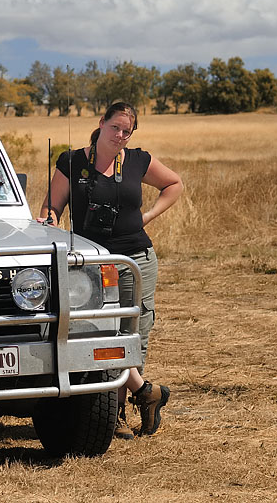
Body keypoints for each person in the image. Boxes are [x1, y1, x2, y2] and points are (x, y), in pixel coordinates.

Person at [39, 102, 183, 439]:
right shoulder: (72, 161)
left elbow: (174, 185)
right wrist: (49, 220)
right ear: (101, 123)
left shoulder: (138, 160)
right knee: (96, 332)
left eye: (126, 131)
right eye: (115, 127)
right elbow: (51, 205)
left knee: (133, 332)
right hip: (90, 264)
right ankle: (145, 392)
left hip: (136, 259)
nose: (119, 135)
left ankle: (115, 413)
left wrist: (146, 218)